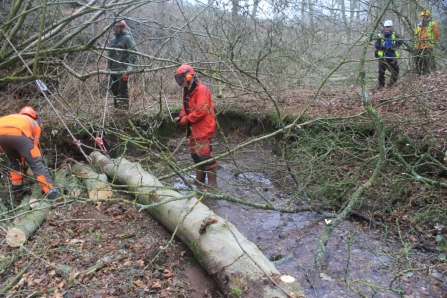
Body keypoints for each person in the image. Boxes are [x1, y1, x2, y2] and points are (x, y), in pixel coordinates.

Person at [0, 106, 61, 203]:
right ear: (35, 116)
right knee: (37, 165)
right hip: (20, 135)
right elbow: (34, 144)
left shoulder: (12, 117)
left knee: (15, 162)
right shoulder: (34, 122)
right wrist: (29, 158)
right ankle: (53, 194)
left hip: (1, 135)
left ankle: (18, 192)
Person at [173, 65, 218, 186]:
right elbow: (185, 108)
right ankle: (199, 181)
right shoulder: (187, 90)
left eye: (180, 78)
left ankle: (212, 185)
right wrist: (181, 117)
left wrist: (186, 120)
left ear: (188, 77)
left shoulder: (201, 89)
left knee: (204, 156)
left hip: (203, 127)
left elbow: (201, 111)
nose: (180, 82)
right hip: (193, 128)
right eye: (178, 79)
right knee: (195, 155)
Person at [107, 20, 137, 110]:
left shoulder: (127, 38)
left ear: (121, 27)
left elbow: (134, 52)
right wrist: (108, 67)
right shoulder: (113, 40)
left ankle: (124, 110)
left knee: (122, 89)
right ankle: (117, 108)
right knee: (113, 89)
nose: (115, 29)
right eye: (114, 27)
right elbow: (110, 54)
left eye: (117, 27)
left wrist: (130, 65)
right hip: (113, 69)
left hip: (123, 69)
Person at [375, 20, 402, 89]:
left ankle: (390, 85)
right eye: (386, 27)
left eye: (389, 27)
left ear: (391, 27)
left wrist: (396, 46)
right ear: (384, 27)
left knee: (396, 72)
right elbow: (377, 45)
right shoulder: (380, 35)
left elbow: (400, 41)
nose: (387, 28)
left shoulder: (394, 34)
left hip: (392, 57)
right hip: (383, 57)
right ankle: (381, 87)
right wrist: (387, 48)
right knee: (381, 73)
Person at [414, 10, 441, 76]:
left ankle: (426, 74)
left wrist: (431, 41)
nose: (423, 18)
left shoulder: (432, 24)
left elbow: (437, 34)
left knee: (426, 61)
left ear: (428, 17)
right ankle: (418, 75)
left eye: (425, 17)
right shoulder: (418, 27)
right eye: (422, 17)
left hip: (427, 46)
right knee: (417, 62)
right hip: (418, 47)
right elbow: (415, 37)